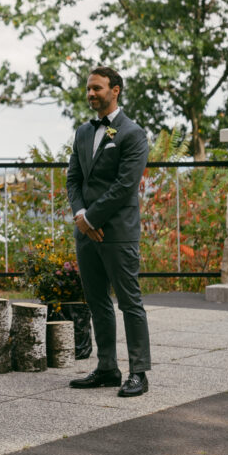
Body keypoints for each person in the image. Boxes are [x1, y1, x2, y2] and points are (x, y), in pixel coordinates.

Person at [66, 65, 151, 398]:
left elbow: (125, 186)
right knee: (96, 300)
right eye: (88, 88)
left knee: (130, 303)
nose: (90, 94)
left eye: (97, 88)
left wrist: (93, 219)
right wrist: (81, 216)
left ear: (115, 90)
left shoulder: (133, 134)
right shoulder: (83, 132)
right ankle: (106, 368)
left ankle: (139, 373)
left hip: (117, 231)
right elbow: (74, 179)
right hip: (86, 231)